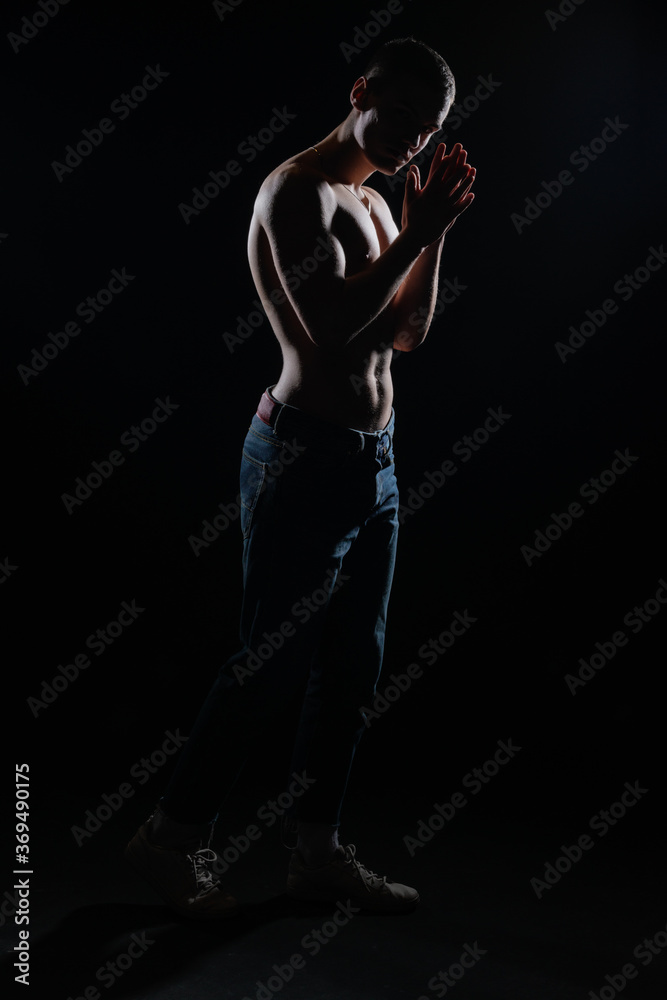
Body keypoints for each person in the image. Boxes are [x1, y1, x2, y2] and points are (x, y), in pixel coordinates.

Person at [125, 36, 475, 918]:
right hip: (300, 454)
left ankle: (315, 851)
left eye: (427, 131)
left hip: (376, 461)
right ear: (360, 91)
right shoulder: (296, 191)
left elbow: (405, 337)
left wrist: (431, 239)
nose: (410, 143)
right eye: (398, 116)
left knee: (353, 666)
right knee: (267, 666)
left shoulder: (381, 203)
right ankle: (166, 839)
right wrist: (418, 233)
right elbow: (330, 329)